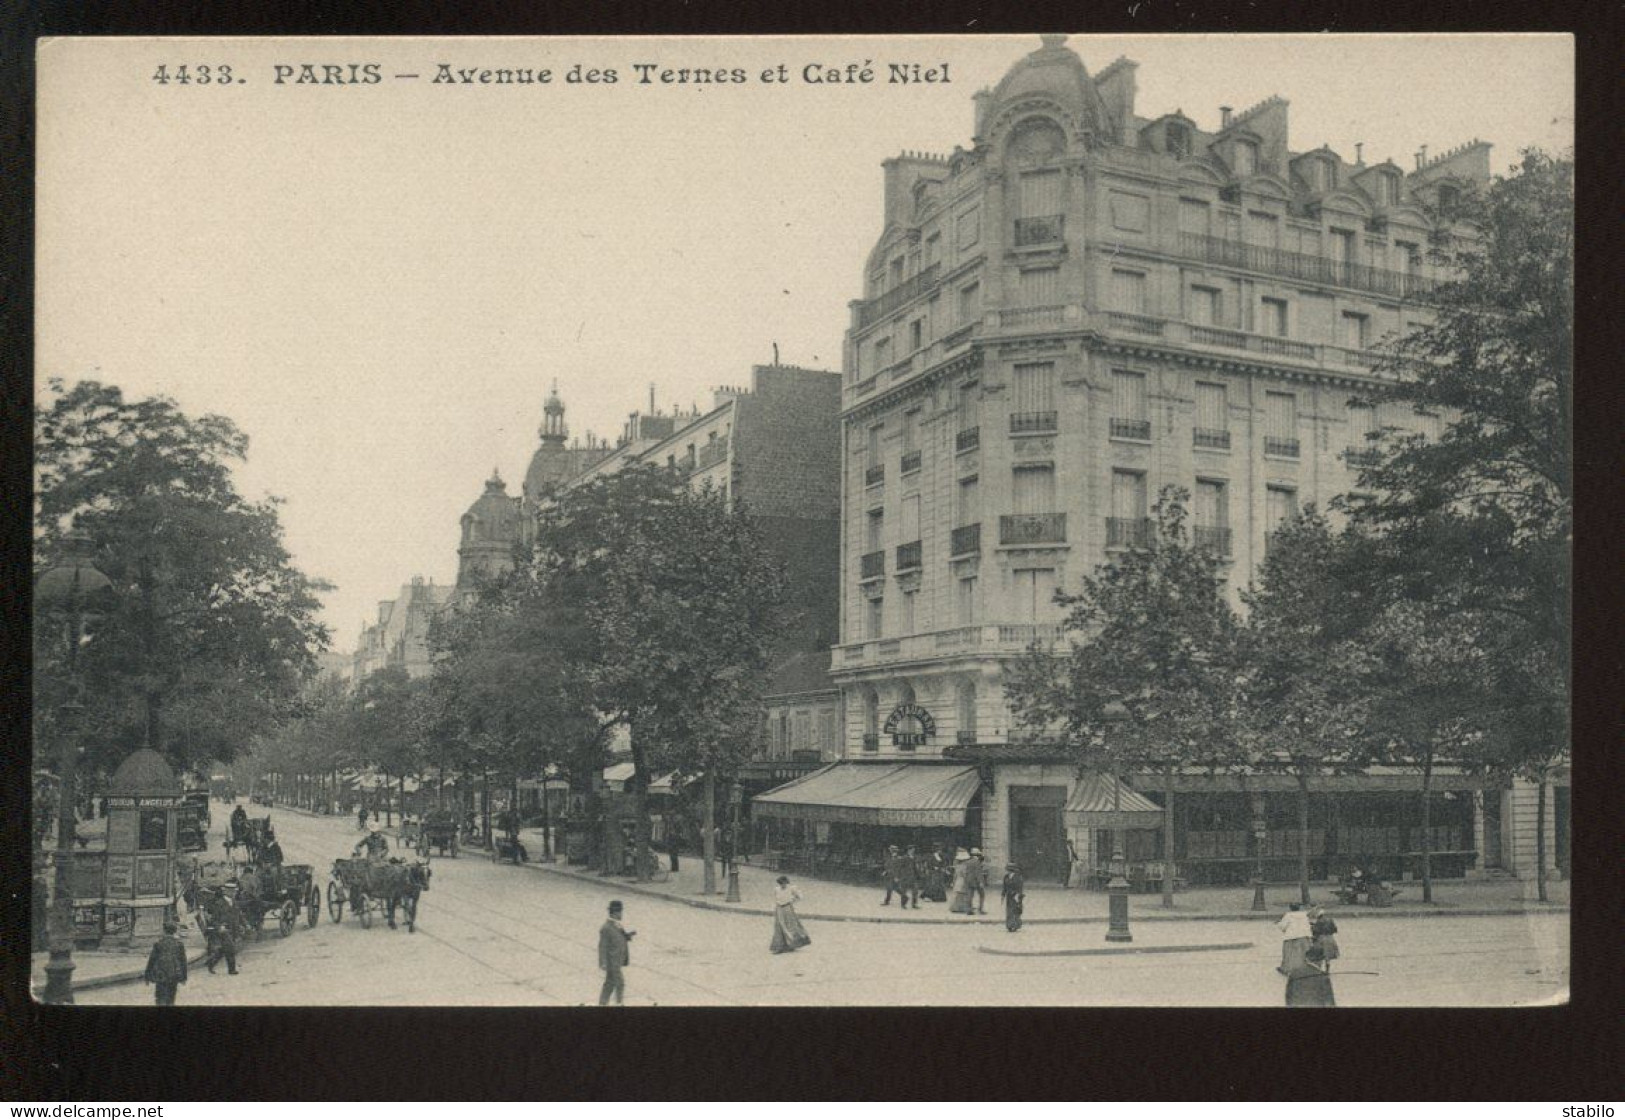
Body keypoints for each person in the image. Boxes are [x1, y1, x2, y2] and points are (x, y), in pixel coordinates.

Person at [144, 919, 189, 1005]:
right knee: (171, 998)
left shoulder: (158, 944)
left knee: (160, 997)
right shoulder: (179, 944)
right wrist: (184, 977)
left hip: (161, 974)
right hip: (174, 975)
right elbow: (183, 961)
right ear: (175, 931)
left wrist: (147, 976)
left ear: (164, 931)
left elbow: (152, 960)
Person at [598, 900, 633, 1006]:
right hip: (612, 961)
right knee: (620, 983)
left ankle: (602, 1003)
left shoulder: (617, 925)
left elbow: (618, 937)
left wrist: (627, 936)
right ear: (615, 913)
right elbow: (602, 946)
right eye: (620, 912)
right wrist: (603, 962)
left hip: (617, 959)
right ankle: (619, 1003)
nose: (621, 914)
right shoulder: (606, 928)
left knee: (610, 983)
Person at [1285, 939, 1337, 1006]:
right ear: (1321, 961)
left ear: (1307, 959)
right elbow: (1329, 1002)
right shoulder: (1323, 977)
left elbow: (1288, 997)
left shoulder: (1294, 973)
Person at [203, 891, 244, 975]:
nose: (234, 892)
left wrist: (244, 924)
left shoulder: (234, 902)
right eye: (231, 890)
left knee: (224, 949)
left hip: (233, 929)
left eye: (234, 890)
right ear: (226, 891)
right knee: (231, 948)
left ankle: (211, 962)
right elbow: (213, 919)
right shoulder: (218, 904)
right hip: (223, 929)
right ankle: (232, 970)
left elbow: (239, 916)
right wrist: (219, 926)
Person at [770, 875, 812, 954]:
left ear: (786, 883)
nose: (783, 885)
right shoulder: (776, 889)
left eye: (784, 883)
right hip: (779, 909)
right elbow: (776, 898)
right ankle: (779, 947)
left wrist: (792, 901)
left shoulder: (791, 888)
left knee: (791, 926)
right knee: (779, 927)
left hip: (788, 908)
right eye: (781, 883)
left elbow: (800, 896)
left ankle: (792, 944)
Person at [1276, 902, 1313, 975]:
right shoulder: (1304, 915)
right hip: (1304, 936)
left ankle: (1286, 969)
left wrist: (1278, 923)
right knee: (1304, 953)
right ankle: (1305, 969)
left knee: (1289, 954)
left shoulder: (1288, 915)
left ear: (1290, 908)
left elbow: (1282, 926)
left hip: (1291, 936)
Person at [1309, 906, 1340, 971]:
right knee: (1327, 956)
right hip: (1330, 938)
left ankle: (1318, 969)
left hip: (1321, 939)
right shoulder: (1330, 920)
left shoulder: (1319, 922)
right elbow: (1335, 930)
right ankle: (1327, 969)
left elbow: (1315, 932)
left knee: (1318, 955)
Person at [948, 849, 974, 914]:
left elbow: (955, 875)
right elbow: (965, 874)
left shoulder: (957, 866)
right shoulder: (964, 866)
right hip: (962, 880)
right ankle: (961, 907)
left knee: (957, 895)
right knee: (962, 894)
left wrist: (953, 882)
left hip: (957, 880)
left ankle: (956, 907)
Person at [1002, 863, 1026, 932]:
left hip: (1016, 896)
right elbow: (1004, 886)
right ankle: (1009, 925)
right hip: (1009, 896)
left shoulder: (1018, 877)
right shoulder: (1006, 877)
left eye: (1009, 870)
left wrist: (1018, 896)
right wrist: (1003, 894)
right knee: (1009, 911)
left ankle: (1015, 925)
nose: (1008, 871)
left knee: (1015, 911)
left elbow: (1020, 887)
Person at [898, 845, 920, 909]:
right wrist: (900, 876)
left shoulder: (914, 858)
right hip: (905, 877)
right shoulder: (904, 858)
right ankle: (903, 904)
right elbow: (900, 867)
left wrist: (918, 875)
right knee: (904, 891)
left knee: (915, 891)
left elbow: (915, 867)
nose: (913, 851)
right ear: (909, 850)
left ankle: (914, 904)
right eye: (912, 850)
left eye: (913, 850)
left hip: (913, 877)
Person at [968, 849, 989, 915]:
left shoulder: (968, 862)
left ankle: (969, 909)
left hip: (969, 880)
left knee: (970, 895)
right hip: (976, 881)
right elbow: (978, 873)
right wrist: (981, 882)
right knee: (982, 895)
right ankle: (980, 909)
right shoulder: (977, 862)